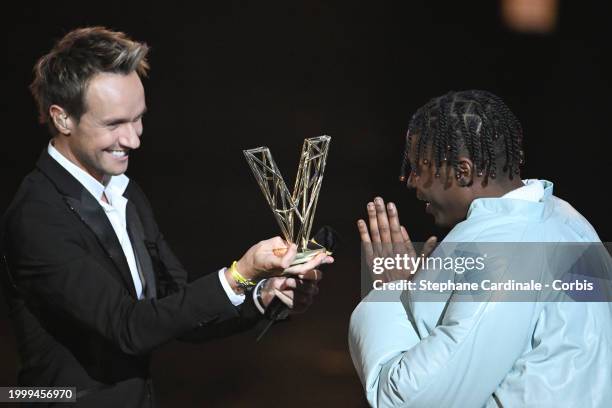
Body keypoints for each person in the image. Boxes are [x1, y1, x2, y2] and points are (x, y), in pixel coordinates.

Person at [0, 26, 333, 406]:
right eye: (114, 124)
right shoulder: (37, 217)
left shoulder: (126, 192)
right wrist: (240, 273)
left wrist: (260, 293)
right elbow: (129, 328)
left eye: (138, 118)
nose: (134, 139)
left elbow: (174, 306)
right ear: (62, 120)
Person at [349, 90, 612, 407]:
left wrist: (393, 292)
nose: (411, 183)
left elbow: (406, 398)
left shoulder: (505, 252)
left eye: (419, 168)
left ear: (462, 171)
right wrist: (429, 293)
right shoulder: (566, 219)